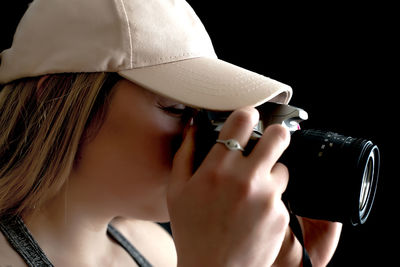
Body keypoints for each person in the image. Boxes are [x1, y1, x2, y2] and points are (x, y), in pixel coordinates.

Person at [0, 0, 342, 266]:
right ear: (54, 101)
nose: (210, 140)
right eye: (177, 110)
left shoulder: (157, 247)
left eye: (210, 115)